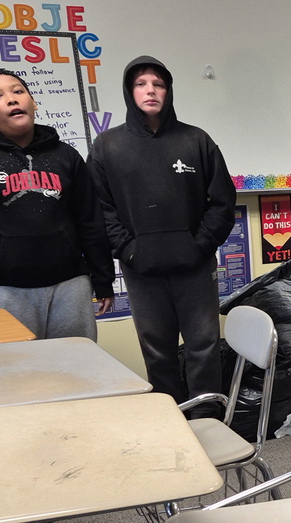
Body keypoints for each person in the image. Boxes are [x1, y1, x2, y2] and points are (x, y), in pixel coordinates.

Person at [88, 56, 235, 418]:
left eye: (158, 84)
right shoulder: (108, 146)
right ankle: (172, 422)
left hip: (195, 268)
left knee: (203, 346)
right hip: (141, 269)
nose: (150, 90)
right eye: (141, 84)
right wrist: (128, 250)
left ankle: (208, 421)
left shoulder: (196, 140)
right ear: (129, 92)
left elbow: (222, 202)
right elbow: (99, 208)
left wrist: (199, 245)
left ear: (168, 91)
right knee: (158, 352)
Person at [0, 69, 114, 338]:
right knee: (11, 377)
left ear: (33, 103)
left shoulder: (66, 156)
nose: (11, 99)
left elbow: (89, 220)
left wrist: (103, 279)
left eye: (18, 91)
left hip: (70, 287)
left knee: (76, 373)